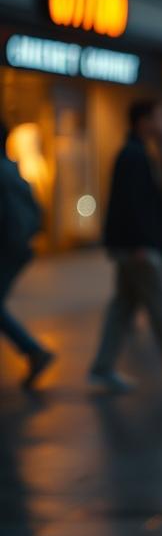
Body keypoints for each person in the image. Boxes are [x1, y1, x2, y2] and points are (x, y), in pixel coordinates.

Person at [89, 100, 162, 392]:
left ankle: (102, 368)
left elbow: (151, 202)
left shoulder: (142, 153)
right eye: (158, 118)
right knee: (158, 305)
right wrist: (140, 245)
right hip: (139, 249)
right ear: (144, 122)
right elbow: (131, 206)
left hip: (134, 247)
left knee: (123, 306)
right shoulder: (133, 155)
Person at [0, 120, 55, 389]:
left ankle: (34, 351)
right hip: (18, 248)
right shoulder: (13, 171)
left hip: (8, 248)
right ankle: (34, 351)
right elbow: (36, 213)